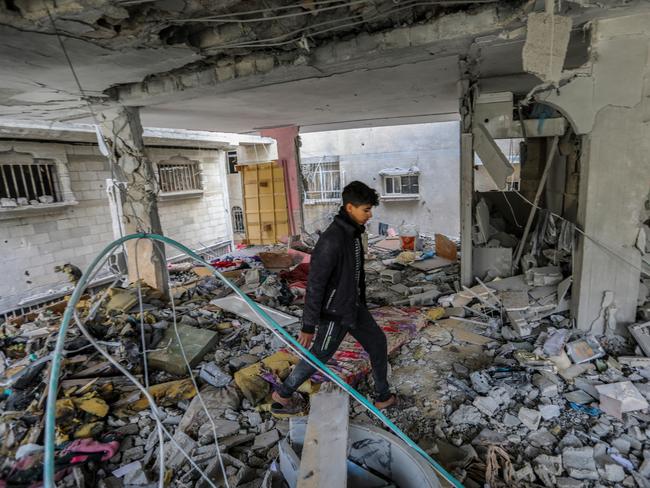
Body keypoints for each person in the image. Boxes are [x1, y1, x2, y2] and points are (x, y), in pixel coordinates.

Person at [271, 181, 396, 413]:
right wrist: (308, 325)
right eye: (366, 210)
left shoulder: (352, 234)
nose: (370, 215)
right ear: (350, 207)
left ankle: (382, 396)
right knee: (319, 355)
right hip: (335, 312)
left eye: (370, 210)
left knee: (378, 343)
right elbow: (315, 284)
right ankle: (283, 394)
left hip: (353, 306)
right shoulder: (332, 239)